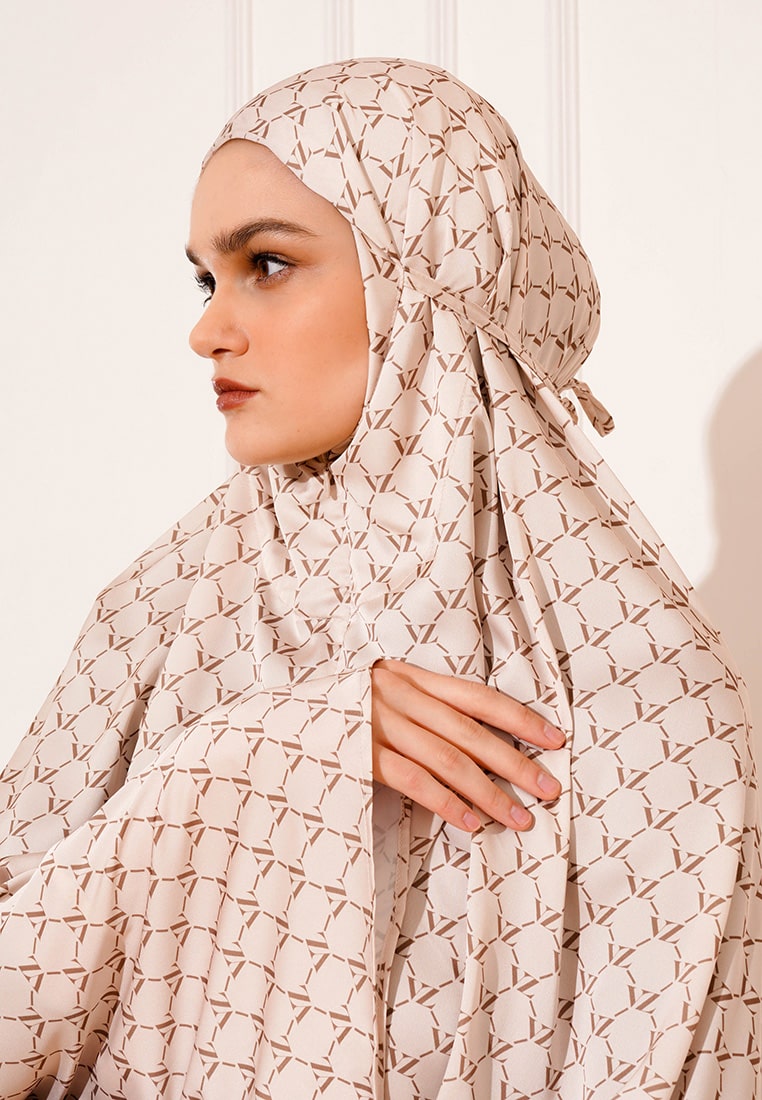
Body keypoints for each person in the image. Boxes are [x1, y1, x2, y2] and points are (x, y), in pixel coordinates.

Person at [0, 57, 759, 1099]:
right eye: (207, 278)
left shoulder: (654, 702)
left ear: (424, 278)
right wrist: (258, 757)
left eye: (268, 263)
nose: (208, 329)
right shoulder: (153, 619)